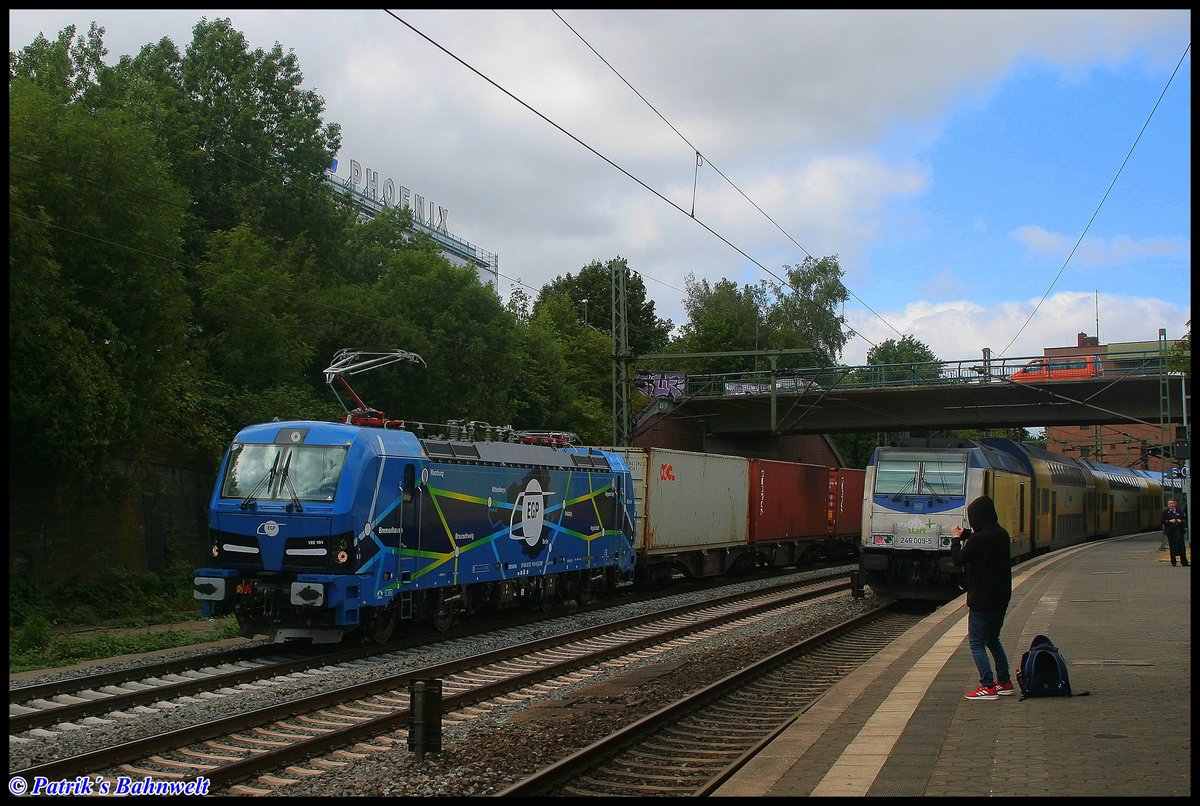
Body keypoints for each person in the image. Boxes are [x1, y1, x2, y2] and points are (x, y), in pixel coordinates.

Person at [950, 495, 1014, 701]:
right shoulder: (1002, 534)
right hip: (1001, 598)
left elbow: (959, 560)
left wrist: (955, 540)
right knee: (993, 639)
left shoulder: (979, 539)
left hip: (981, 599)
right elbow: (983, 539)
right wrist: (967, 534)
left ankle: (988, 686)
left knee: (976, 643)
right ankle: (1004, 682)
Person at [1161, 499, 1188, 567]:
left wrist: (1180, 521)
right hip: (1170, 532)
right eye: (1169, 504)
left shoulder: (1179, 511)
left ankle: (1184, 562)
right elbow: (1162, 521)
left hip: (1179, 531)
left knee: (1182, 546)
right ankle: (1173, 562)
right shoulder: (1165, 512)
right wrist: (1169, 521)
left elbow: (1184, 520)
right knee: (1172, 546)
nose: (1171, 505)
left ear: (1174, 504)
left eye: (1172, 503)